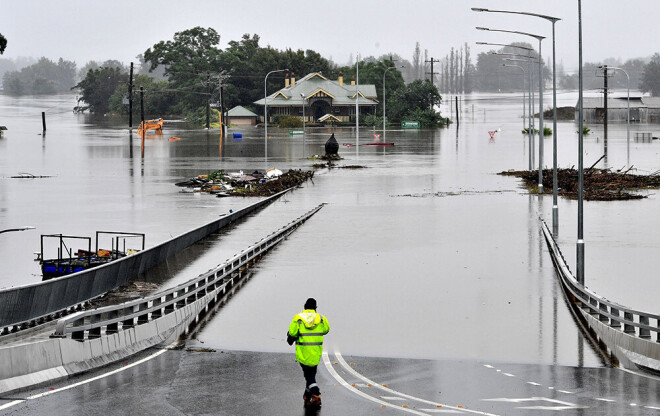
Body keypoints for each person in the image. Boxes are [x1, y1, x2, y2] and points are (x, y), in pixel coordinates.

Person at [287, 298, 330, 408]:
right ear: (315, 308)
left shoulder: (298, 318)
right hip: (316, 353)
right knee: (311, 374)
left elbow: (292, 332)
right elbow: (326, 330)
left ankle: (316, 393)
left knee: (309, 375)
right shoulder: (321, 318)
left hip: (303, 352)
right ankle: (307, 394)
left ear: (305, 306)